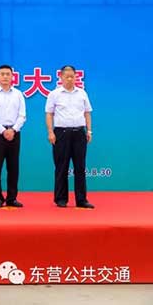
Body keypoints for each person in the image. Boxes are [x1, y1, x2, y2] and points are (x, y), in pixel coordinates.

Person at [46, 65, 94, 209]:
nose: (69, 79)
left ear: (76, 77)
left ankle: (81, 200)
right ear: (61, 77)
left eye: (72, 76)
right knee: (61, 167)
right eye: (66, 76)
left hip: (79, 133)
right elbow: (49, 114)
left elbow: (87, 113)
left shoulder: (82, 93)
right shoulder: (54, 94)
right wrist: (50, 132)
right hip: (61, 134)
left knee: (80, 167)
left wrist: (89, 131)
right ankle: (61, 199)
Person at [0, 64, 26, 208]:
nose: (5, 77)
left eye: (8, 74)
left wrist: (13, 130)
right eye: (2, 74)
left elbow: (22, 115)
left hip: (15, 133)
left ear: (12, 76)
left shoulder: (18, 94)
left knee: (13, 167)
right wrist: (3, 131)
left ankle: (12, 198)